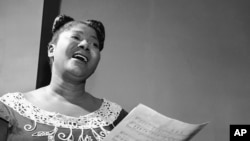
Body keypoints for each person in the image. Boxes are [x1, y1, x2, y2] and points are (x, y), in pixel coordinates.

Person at [0, 15, 128, 141]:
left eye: (95, 44)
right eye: (76, 37)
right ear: (51, 49)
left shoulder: (117, 118)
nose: (85, 44)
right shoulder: (9, 109)